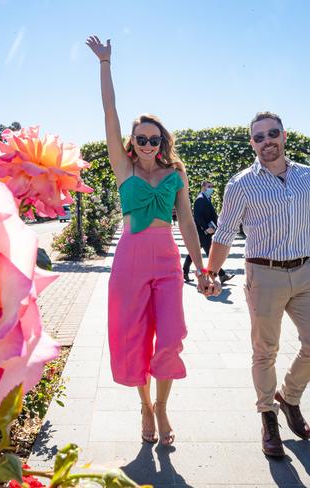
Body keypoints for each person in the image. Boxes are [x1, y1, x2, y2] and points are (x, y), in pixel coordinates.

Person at [86, 35, 215, 447]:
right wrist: (105, 64)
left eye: (153, 139)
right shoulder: (123, 169)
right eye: (140, 138)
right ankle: (145, 406)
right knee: (134, 337)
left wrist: (202, 266)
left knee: (172, 335)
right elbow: (110, 111)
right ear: (131, 143)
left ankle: (162, 406)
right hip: (129, 260)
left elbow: (189, 225)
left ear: (162, 143)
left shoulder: (176, 175)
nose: (146, 144)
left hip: (165, 259)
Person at [206, 111, 310, 458]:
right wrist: (212, 273)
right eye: (258, 137)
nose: (266, 141)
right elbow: (226, 232)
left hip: (306, 272)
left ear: (284, 135)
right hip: (264, 274)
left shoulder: (308, 176)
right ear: (252, 143)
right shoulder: (241, 183)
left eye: (272, 133)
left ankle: (289, 397)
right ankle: (268, 417)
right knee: (265, 351)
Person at [182, 181, 235, 284]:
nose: (211, 188)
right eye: (209, 186)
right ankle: (222, 275)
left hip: (205, 232)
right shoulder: (200, 199)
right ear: (203, 188)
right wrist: (206, 228)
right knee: (211, 253)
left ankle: (184, 272)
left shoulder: (206, 199)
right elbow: (198, 216)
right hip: (202, 232)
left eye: (212, 186)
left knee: (193, 253)